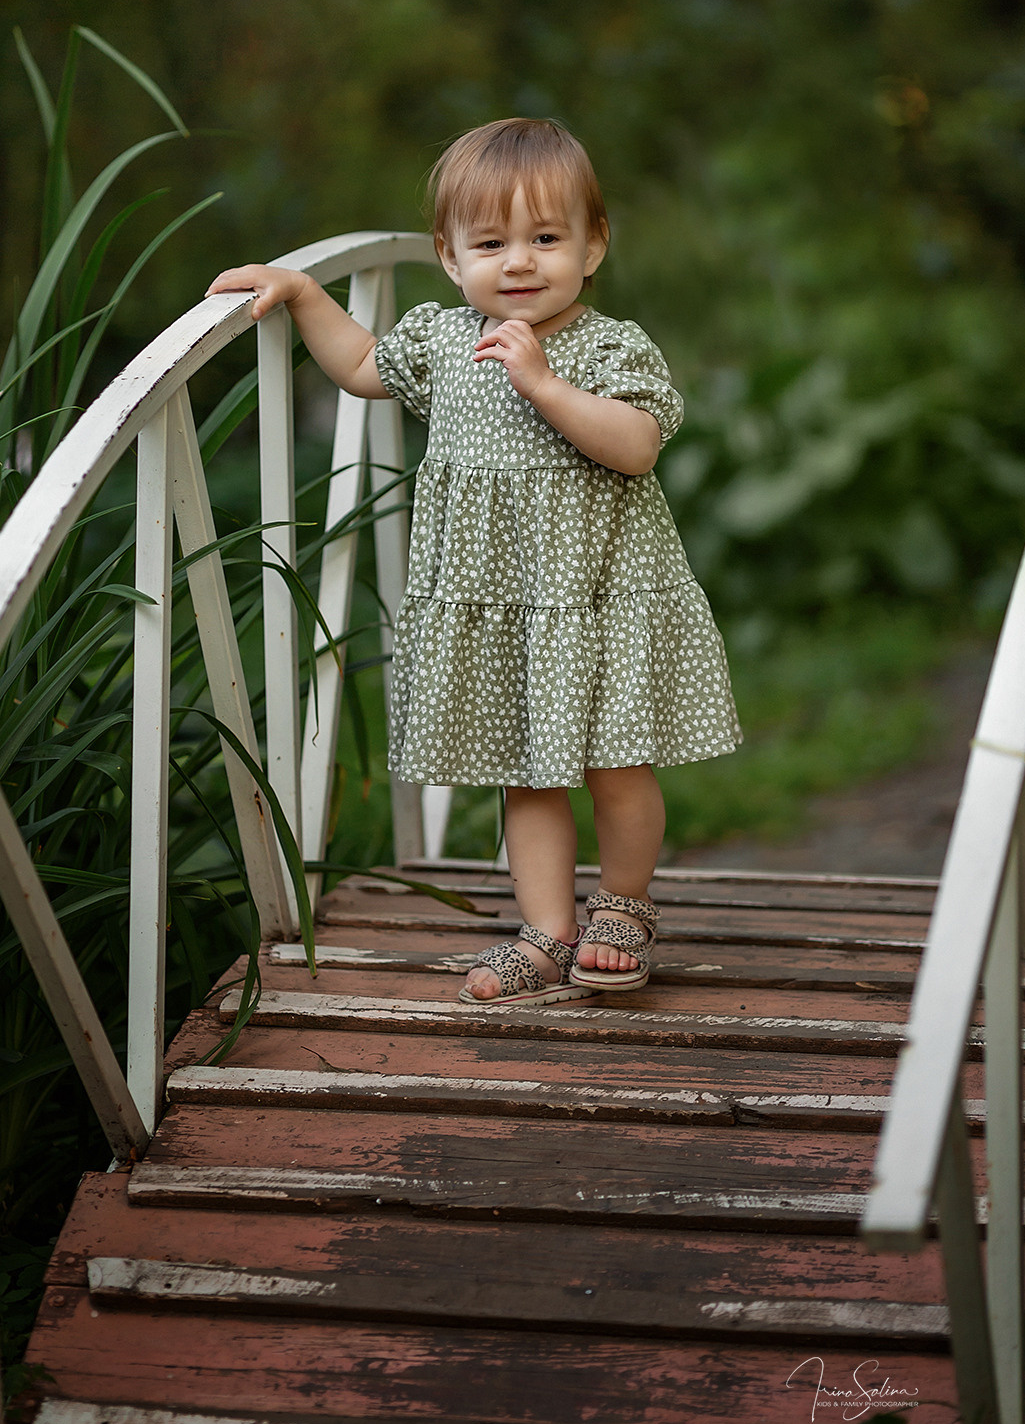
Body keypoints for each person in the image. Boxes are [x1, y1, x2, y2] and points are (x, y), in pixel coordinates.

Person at [207, 117, 741, 1006]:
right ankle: (545, 932)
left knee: (617, 764)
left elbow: (639, 444)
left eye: (546, 238)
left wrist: (545, 384)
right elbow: (363, 365)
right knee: (526, 773)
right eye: (491, 243)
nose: (520, 262)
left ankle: (624, 906)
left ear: (594, 245)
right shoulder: (444, 340)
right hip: (498, 602)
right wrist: (303, 294)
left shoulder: (609, 347)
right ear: (451, 260)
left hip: (596, 597)